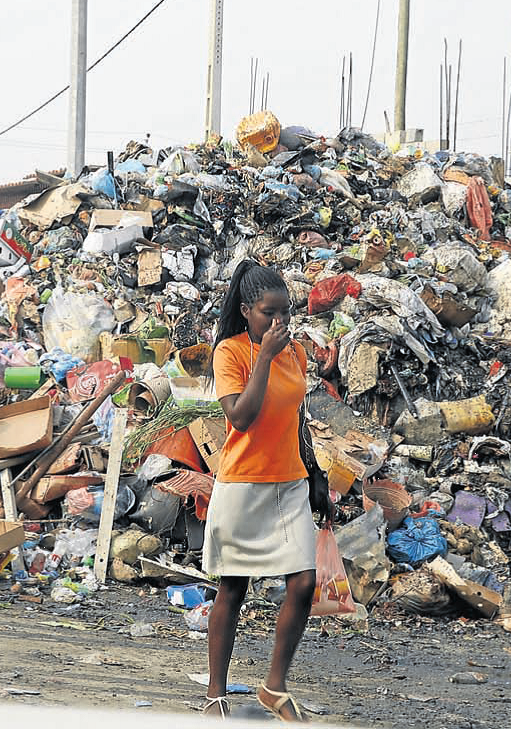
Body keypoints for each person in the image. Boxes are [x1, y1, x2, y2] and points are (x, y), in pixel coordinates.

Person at [202, 260, 333, 721]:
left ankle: (274, 686)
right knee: (233, 588)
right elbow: (241, 416)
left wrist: (315, 473)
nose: (279, 323)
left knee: (303, 582)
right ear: (246, 310)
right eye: (268, 313)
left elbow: (296, 416)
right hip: (243, 485)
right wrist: (262, 357)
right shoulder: (231, 353)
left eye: (285, 313)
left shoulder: (294, 352)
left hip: (290, 482)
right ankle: (216, 692)